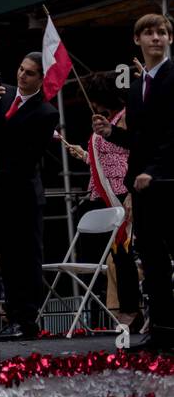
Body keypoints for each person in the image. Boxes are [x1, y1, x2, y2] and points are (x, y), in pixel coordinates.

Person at [93, 13, 174, 353]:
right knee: (153, 261)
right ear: (137, 41)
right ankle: (163, 332)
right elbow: (143, 138)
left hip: (168, 181)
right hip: (144, 187)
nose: (157, 37)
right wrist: (114, 134)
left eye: (163, 32)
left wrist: (154, 169)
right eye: (149, 33)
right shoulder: (140, 86)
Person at [0, 53, 61, 339]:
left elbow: (21, 153)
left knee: (26, 258)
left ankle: (26, 319)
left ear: (41, 78)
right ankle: (13, 315)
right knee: (5, 257)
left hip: (23, 192)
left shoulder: (47, 112)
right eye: (20, 68)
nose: (21, 75)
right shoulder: (1, 96)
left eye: (29, 73)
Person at [67, 84, 141, 330]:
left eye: (95, 102)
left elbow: (133, 154)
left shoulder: (125, 117)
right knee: (113, 254)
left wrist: (131, 193)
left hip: (121, 191)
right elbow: (108, 157)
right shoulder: (104, 122)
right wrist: (85, 156)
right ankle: (122, 307)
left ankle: (131, 309)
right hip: (102, 191)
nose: (93, 107)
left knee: (123, 253)